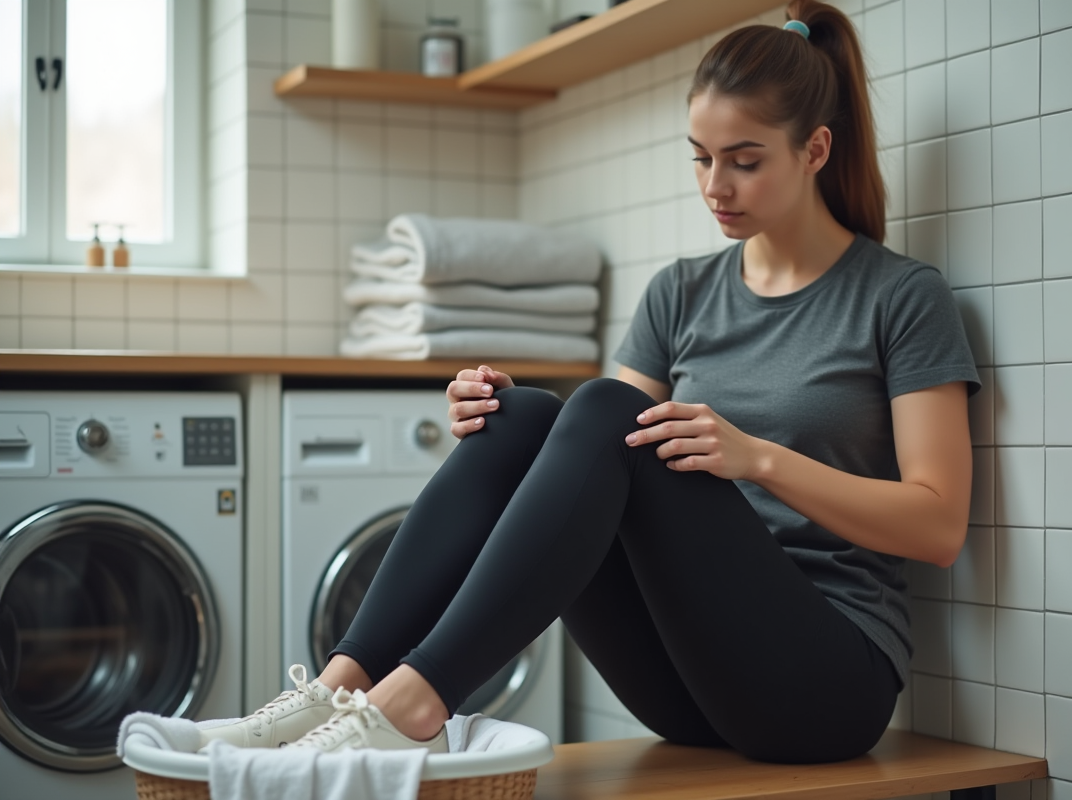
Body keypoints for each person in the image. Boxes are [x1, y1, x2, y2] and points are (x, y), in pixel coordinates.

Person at [201, 0, 979, 764]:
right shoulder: (683, 292)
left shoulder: (898, 296)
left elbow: (939, 528)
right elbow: (587, 462)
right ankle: (342, 684)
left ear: (814, 151)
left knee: (608, 406)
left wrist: (758, 458)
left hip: (824, 687)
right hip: (691, 684)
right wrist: (480, 417)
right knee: (529, 414)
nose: (716, 186)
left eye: (745, 160)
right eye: (701, 158)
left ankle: (418, 699)